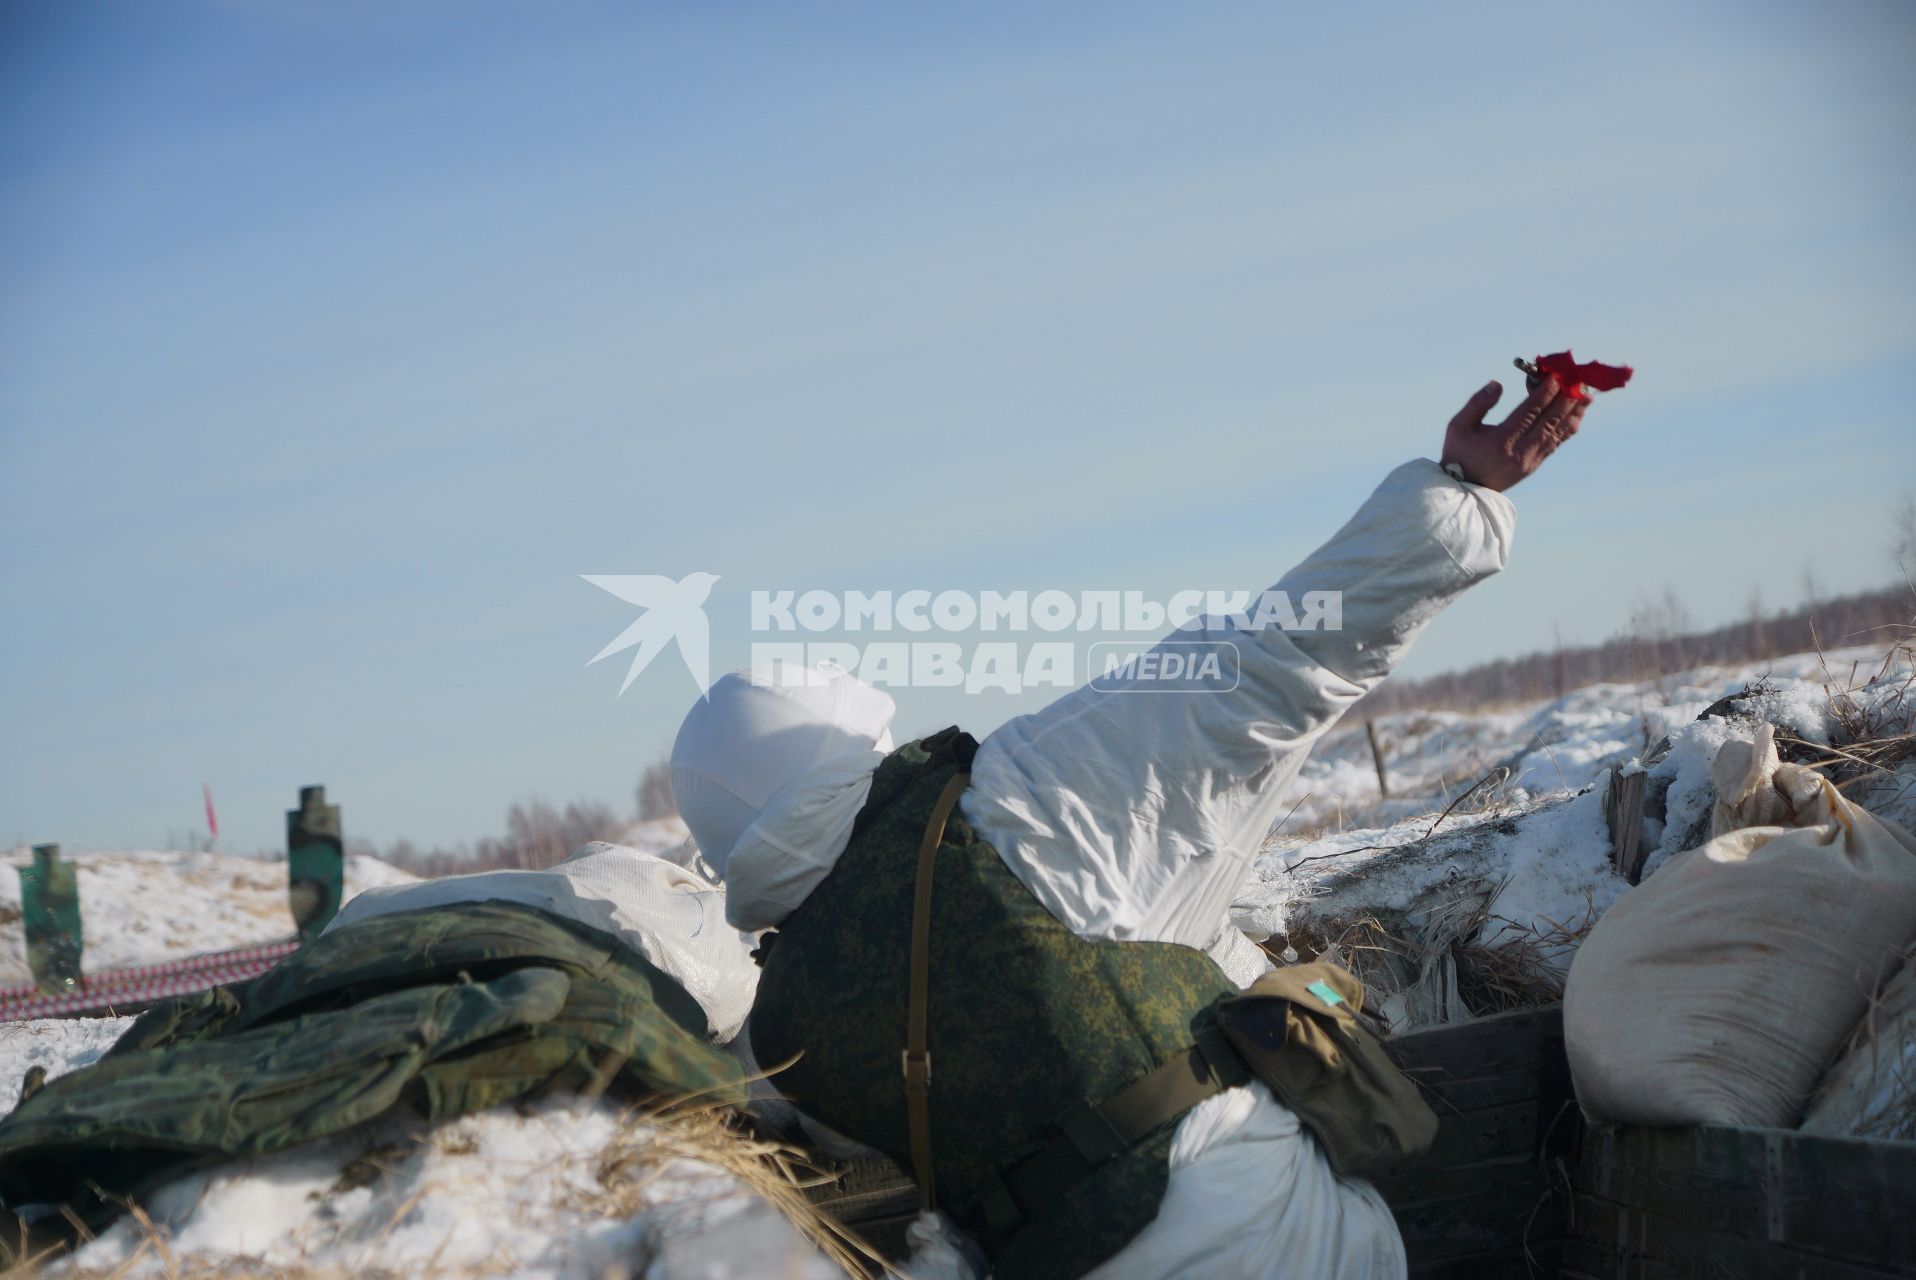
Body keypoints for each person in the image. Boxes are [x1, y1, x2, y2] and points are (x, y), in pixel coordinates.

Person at [670, 373, 1589, 1278]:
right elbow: (1280, 658)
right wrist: (1457, 493)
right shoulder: (1017, 797)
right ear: (855, 753)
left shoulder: (785, 1034)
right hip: (1270, 1239)